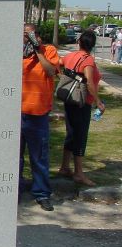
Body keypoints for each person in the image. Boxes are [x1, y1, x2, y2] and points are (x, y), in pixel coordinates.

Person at [20, 23, 60, 211]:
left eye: (30, 35)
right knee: (14, 157)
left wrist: (38, 51)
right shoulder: (16, 53)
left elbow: (51, 71)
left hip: (38, 114)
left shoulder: (48, 50)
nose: (27, 38)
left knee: (39, 157)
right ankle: (16, 190)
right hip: (16, 114)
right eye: (25, 35)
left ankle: (42, 193)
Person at [58, 30, 105, 186]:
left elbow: (58, 64)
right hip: (82, 102)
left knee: (71, 133)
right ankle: (79, 173)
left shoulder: (70, 56)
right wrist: (98, 102)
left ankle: (64, 167)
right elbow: (90, 83)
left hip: (69, 100)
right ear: (92, 44)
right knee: (80, 136)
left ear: (79, 42)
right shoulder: (88, 61)